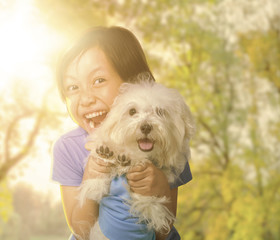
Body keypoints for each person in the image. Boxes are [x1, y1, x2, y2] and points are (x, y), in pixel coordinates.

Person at [52, 26, 192, 240]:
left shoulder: (167, 140)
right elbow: (80, 231)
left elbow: (163, 231)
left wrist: (160, 190)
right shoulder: (68, 147)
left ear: (134, 83)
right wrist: (92, 176)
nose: (86, 98)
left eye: (98, 81)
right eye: (72, 87)